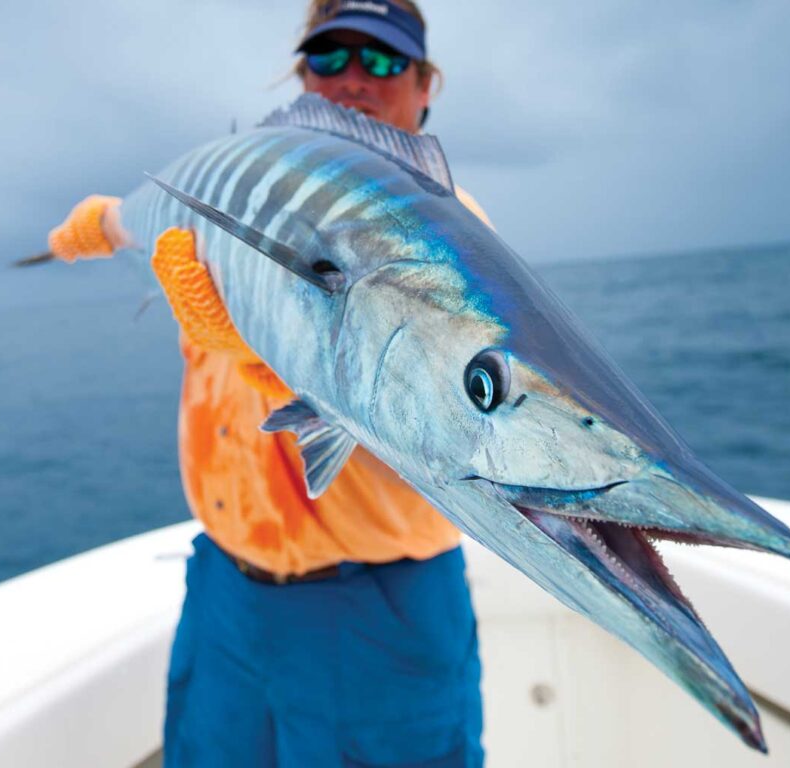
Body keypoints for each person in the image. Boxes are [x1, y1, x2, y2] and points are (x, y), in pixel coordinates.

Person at [48, 2, 492, 765]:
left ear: (426, 88)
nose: (353, 79)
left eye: (384, 62)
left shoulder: (447, 239)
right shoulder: (242, 188)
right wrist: (109, 224)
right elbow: (140, 221)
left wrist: (270, 352)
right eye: (329, 58)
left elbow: (447, 424)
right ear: (300, 78)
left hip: (376, 613)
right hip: (225, 592)